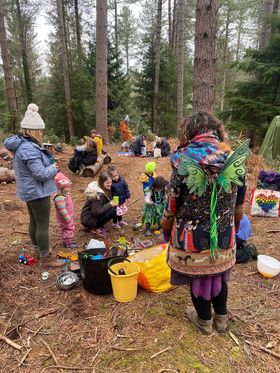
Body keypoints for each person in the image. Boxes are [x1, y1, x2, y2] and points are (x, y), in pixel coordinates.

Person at [161, 111, 249, 335]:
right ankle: (221, 319)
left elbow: (172, 201)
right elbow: (240, 201)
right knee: (218, 274)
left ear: (189, 132)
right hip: (223, 232)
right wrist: (235, 227)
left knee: (198, 277)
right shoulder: (231, 158)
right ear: (216, 131)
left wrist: (166, 228)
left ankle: (204, 321)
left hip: (191, 236)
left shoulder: (184, 160)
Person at [4, 103, 64, 268]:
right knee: (42, 224)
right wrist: (54, 168)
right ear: (33, 130)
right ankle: (46, 258)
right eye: (40, 131)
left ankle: (37, 250)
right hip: (38, 192)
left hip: (29, 191)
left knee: (35, 222)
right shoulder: (29, 149)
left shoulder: (22, 145)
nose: (42, 134)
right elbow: (40, 174)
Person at [80, 171, 118, 237]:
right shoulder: (98, 195)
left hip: (89, 217)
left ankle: (98, 224)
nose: (110, 184)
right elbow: (96, 212)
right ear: (102, 182)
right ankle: (95, 228)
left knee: (113, 208)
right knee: (112, 210)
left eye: (111, 182)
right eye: (108, 183)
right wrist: (110, 204)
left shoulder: (104, 188)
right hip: (88, 220)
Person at [54, 172, 77, 248]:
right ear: (61, 188)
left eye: (69, 187)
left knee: (70, 227)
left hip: (69, 215)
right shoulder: (60, 197)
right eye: (66, 187)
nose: (68, 189)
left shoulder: (66, 194)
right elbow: (62, 209)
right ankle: (67, 242)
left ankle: (69, 239)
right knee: (67, 228)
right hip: (65, 217)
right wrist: (67, 217)